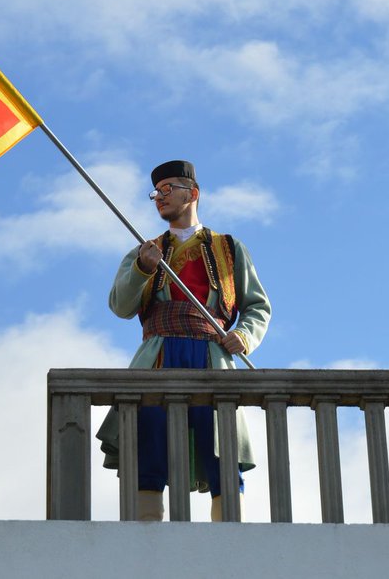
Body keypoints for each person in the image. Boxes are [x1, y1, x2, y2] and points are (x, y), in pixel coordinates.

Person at [96, 159, 271, 522]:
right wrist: (143, 268)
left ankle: (228, 533)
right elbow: (120, 305)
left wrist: (243, 334)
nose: (159, 198)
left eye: (167, 190)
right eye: (156, 193)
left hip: (211, 353)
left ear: (192, 193)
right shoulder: (145, 251)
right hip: (159, 353)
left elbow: (257, 305)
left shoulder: (228, 248)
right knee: (149, 439)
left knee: (219, 442)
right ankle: (147, 532)